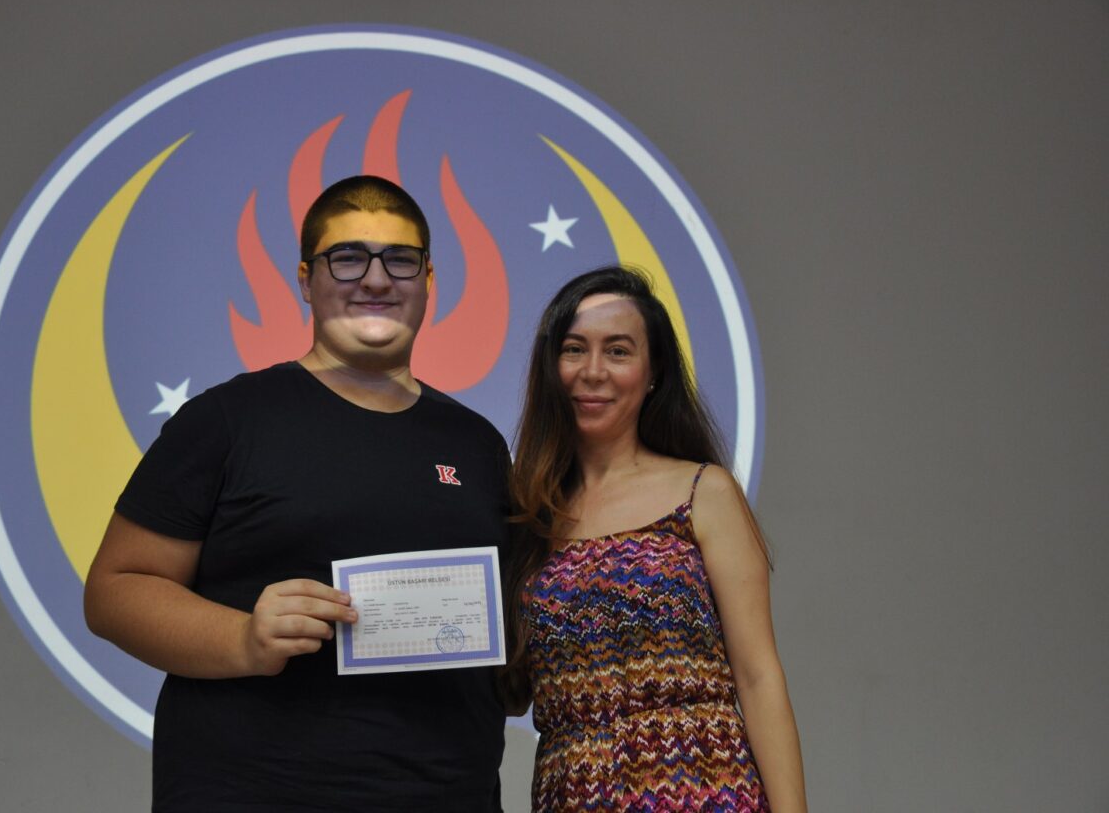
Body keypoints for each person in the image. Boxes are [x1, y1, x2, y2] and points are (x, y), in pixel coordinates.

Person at [84, 175, 511, 811]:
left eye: (400, 260)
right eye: (347, 258)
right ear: (305, 281)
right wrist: (243, 639)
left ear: (428, 281)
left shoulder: (477, 443)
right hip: (253, 791)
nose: (375, 279)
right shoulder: (227, 421)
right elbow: (114, 591)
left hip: (448, 792)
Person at [501, 266, 806, 811]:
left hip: (705, 789)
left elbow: (758, 676)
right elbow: (509, 690)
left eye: (618, 351)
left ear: (654, 371)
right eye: (574, 349)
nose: (593, 371)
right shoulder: (527, 515)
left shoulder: (703, 492)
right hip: (572, 792)